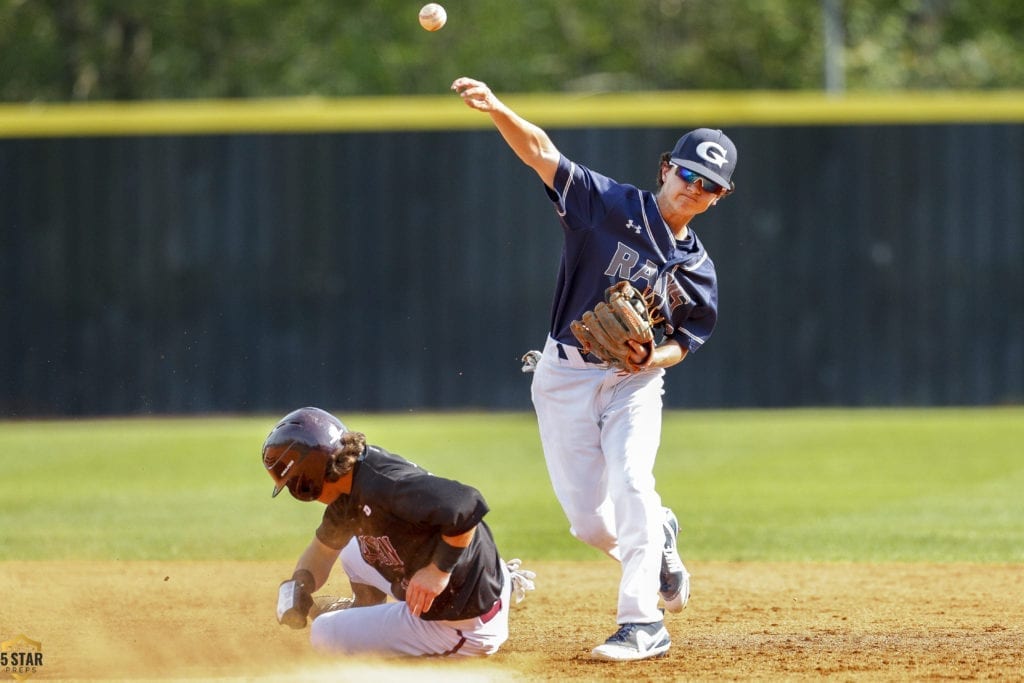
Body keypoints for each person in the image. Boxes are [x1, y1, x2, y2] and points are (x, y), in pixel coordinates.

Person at [452, 76, 738, 662]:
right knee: (590, 524)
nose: (694, 188)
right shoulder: (608, 206)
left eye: (709, 186)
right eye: (688, 174)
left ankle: (642, 622)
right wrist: (498, 107)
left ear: (718, 198)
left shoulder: (698, 269)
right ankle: (660, 537)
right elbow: (540, 152)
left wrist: (648, 357)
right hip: (563, 375)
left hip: (634, 383)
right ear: (665, 169)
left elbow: (688, 337)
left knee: (633, 482)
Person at [263, 406, 534, 657]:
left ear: (307, 479)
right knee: (351, 548)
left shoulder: (385, 487)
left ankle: (408, 629)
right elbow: (322, 551)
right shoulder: (351, 479)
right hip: (468, 575)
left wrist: (438, 571)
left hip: (460, 622)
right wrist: (300, 583)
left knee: (325, 633)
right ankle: (367, 612)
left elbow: (467, 505)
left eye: (293, 483)